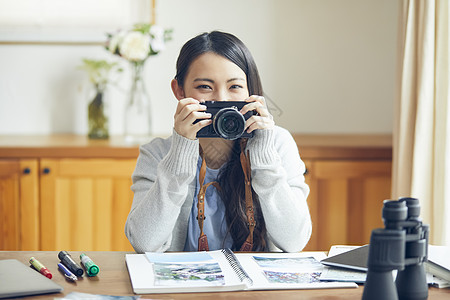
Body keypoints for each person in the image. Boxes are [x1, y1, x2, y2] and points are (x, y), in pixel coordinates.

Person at [125, 31, 311, 253]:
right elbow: (144, 243)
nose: (221, 99)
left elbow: (294, 242)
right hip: (184, 285)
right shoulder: (157, 153)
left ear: (251, 91)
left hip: (256, 287)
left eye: (234, 87)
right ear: (179, 90)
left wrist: (264, 157)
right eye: (205, 87)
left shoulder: (278, 144)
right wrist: (181, 151)